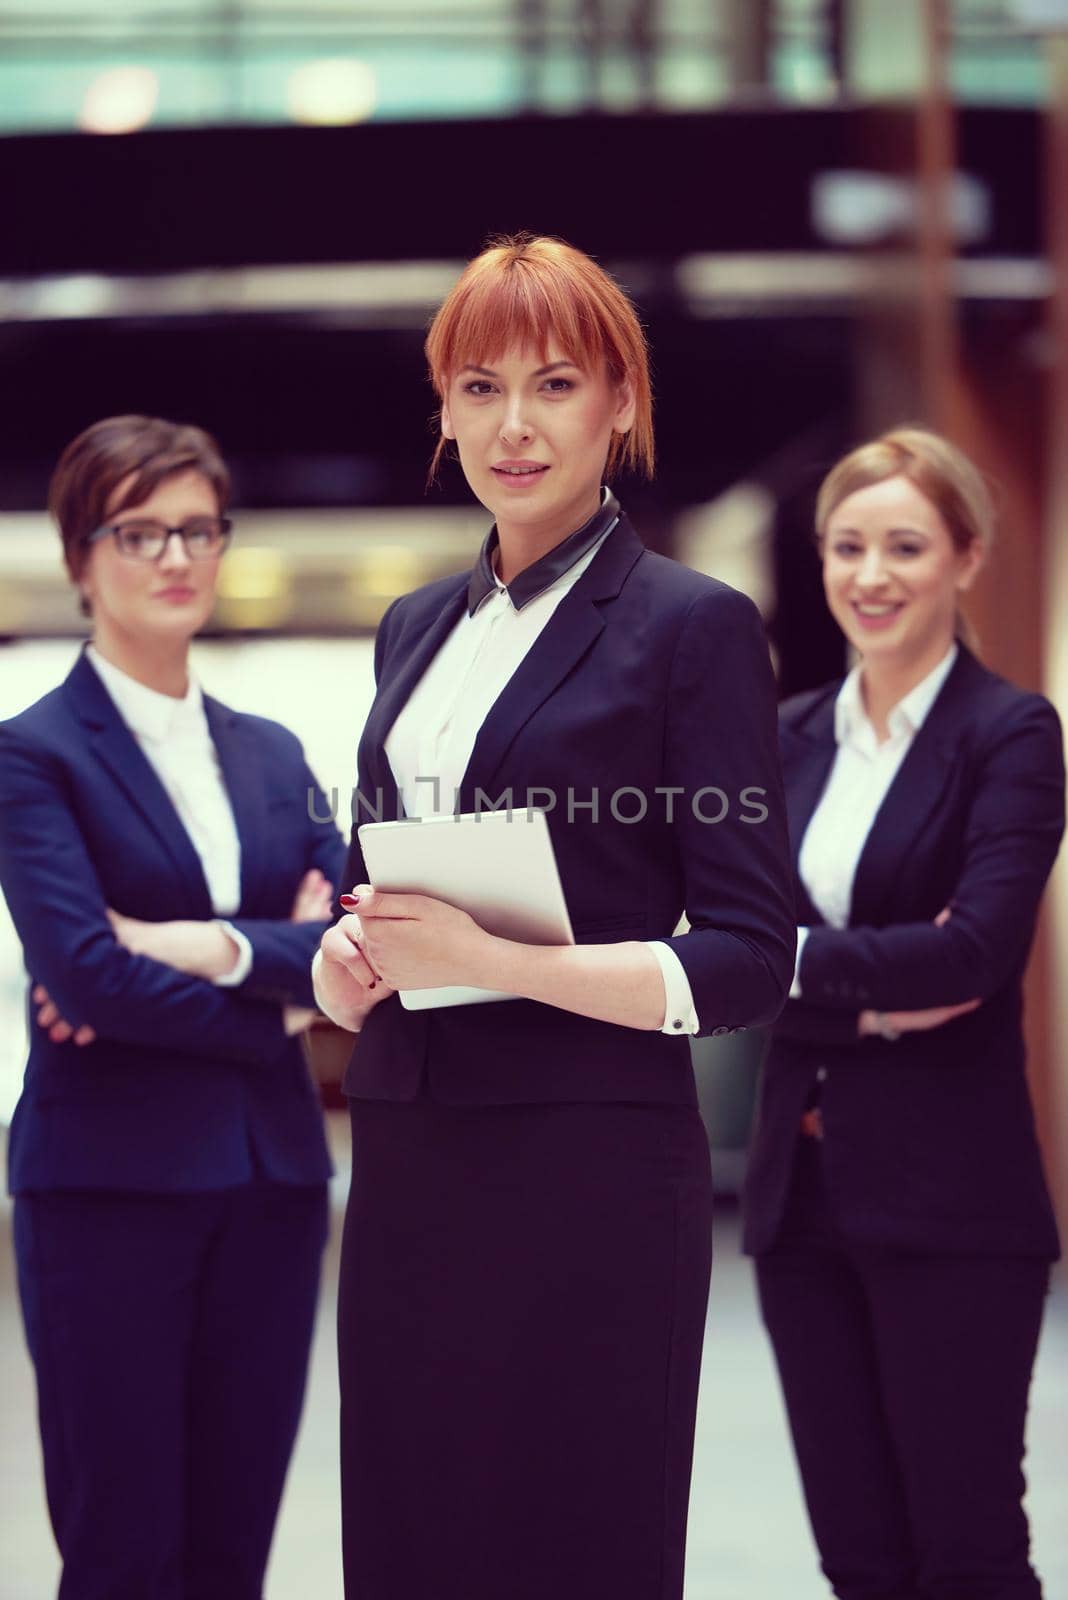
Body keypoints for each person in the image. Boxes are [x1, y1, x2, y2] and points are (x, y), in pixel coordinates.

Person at [312, 234, 796, 1600]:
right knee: (412, 1532)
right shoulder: (414, 628)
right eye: (479, 387)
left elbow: (748, 958)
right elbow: (381, 873)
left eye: (556, 384)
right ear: (443, 409)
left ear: (621, 406)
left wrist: (499, 963)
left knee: (572, 1533)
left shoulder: (690, 627)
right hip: (411, 1147)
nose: (512, 426)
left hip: (586, 1163)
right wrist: (356, 958)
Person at [0, 415, 346, 1600]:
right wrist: (281, 1000)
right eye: (140, 531)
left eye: (198, 528)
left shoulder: (273, 750)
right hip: (107, 1196)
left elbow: (347, 939)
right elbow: (86, 974)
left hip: (273, 1188)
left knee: (231, 1549)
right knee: (124, 1552)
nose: (175, 556)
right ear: (80, 554)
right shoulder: (32, 756)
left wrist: (197, 951)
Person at [743, 427, 1064, 1600]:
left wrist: (785, 969)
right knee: (861, 1560)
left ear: (967, 558)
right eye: (847, 546)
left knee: (968, 1554)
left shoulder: (1010, 735)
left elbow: (974, 955)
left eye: (905, 546)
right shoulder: (781, 741)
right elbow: (728, 945)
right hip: (802, 1201)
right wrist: (873, 993)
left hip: (953, 1205)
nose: (870, 575)